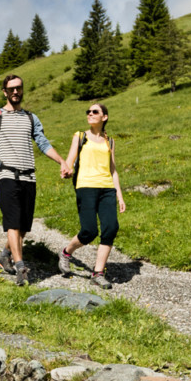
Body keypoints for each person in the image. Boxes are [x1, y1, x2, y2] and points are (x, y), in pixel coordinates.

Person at [0, 75, 68, 286]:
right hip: (6, 174)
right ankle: (20, 266)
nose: (16, 92)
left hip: (28, 176)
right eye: (11, 89)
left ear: (22, 90)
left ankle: (4, 255)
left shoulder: (31, 118)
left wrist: (61, 161)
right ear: (5, 92)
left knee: (23, 226)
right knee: (12, 223)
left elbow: (42, 143)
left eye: (19, 88)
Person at [56, 102, 126, 289]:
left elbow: (113, 170)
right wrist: (67, 171)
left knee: (111, 228)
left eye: (95, 111)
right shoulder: (80, 137)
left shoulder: (109, 141)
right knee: (89, 231)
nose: (90, 114)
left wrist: (119, 195)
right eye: (88, 111)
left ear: (104, 117)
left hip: (107, 188)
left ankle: (98, 273)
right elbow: (70, 161)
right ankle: (66, 252)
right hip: (85, 187)